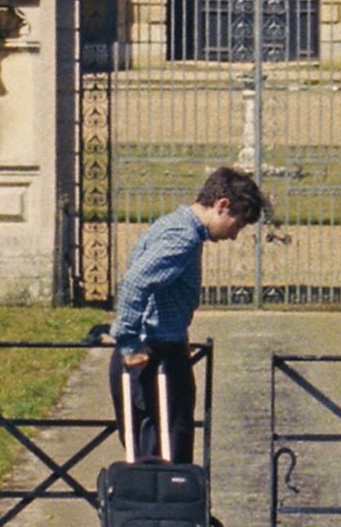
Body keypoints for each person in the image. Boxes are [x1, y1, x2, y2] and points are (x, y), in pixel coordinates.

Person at [107, 165, 265, 466]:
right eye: (238, 224)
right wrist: (129, 343)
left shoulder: (173, 225)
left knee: (155, 460)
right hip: (154, 358)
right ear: (222, 205)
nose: (234, 235)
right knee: (165, 462)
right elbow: (135, 283)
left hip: (159, 349)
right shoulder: (182, 237)